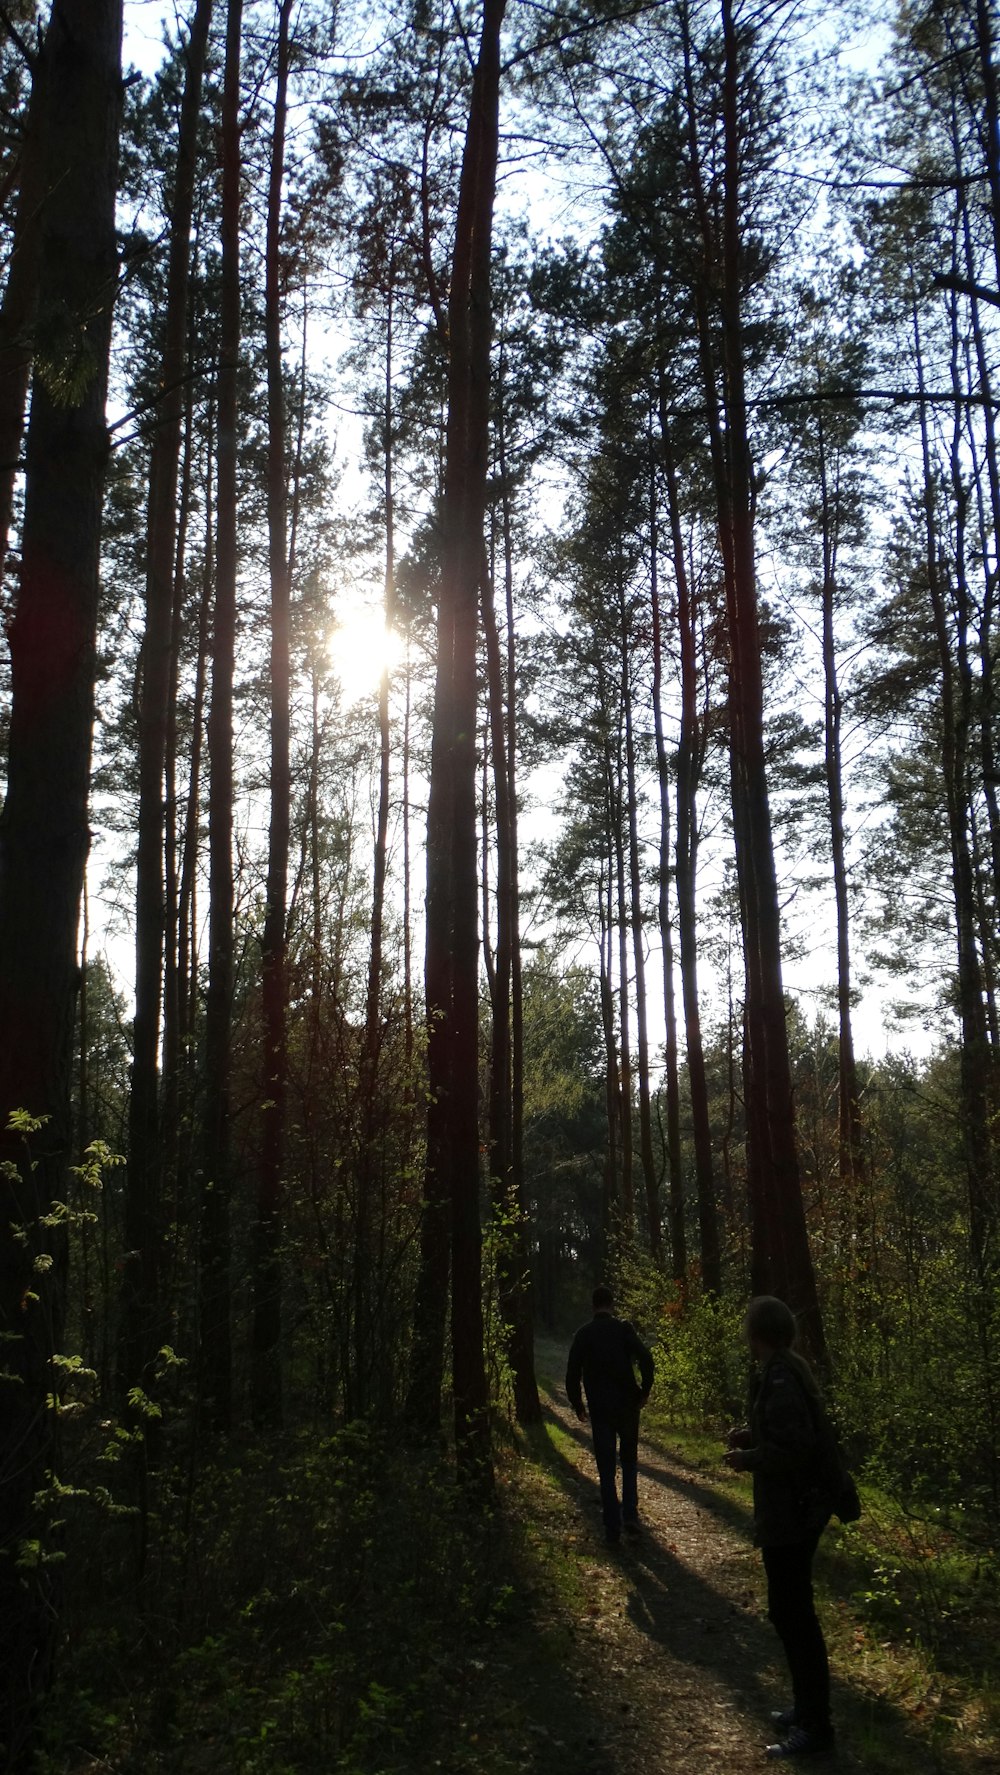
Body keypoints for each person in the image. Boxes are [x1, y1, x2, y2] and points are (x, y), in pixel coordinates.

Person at [724, 1295, 835, 1761]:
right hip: (792, 1513)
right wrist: (753, 1437)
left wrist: (748, 1458)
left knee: (794, 1616)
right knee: (790, 1613)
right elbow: (790, 1435)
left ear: (759, 1334)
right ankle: (806, 1710)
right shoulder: (784, 1370)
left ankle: (815, 1728)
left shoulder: (783, 1376)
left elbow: (797, 1448)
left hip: (793, 1514)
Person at [565, 1284, 654, 1546]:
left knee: (606, 1468)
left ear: (593, 1306)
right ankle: (630, 1517)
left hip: (601, 1409)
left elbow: (572, 1374)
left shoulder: (583, 1334)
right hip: (627, 1405)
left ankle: (612, 1529)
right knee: (628, 1462)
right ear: (612, 1304)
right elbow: (646, 1359)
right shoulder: (624, 1329)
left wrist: (577, 1404)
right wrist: (644, 1391)